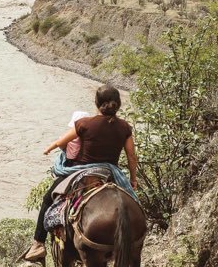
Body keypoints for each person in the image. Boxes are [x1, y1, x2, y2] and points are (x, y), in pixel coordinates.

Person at [24, 84, 138, 262]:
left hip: (82, 170)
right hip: (111, 172)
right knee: (134, 201)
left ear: (96, 103)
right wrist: (133, 179)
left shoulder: (84, 124)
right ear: (118, 104)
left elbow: (61, 142)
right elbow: (131, 156)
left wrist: (49, 148)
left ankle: (38, 243)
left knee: (48, 198)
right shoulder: (125, 127)